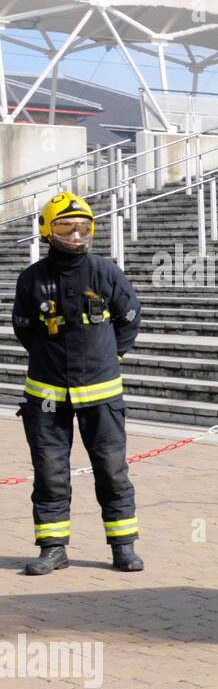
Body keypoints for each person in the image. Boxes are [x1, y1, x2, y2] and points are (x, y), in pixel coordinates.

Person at [11, 192, 144, 575]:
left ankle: (123, 547)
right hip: (47, 397)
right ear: (46, 231)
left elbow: (129, 318)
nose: (75, 234)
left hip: (101, 394)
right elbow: (25, 330)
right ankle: (53, 549)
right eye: (65, 227)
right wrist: (50, 361)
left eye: (83, 227)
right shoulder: (32, 279)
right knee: (50, 473)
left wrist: (110, 359)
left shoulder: (105, 272)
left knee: (112, 469)